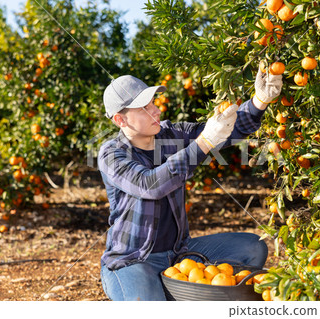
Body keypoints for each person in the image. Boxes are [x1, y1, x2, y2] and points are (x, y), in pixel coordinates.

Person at [98, 64, 283, 301]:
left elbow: (225, 130)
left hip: (179, 255)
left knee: (252, 247)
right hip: (133, 260)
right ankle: (162, 291)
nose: (156, 110)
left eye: (153, 103)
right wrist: (204, 143)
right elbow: (150, 185)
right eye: (144, 108)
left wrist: (260, 101)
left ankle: (176, 290)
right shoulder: (112, 154)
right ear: (120, 119)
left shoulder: (170, 134)